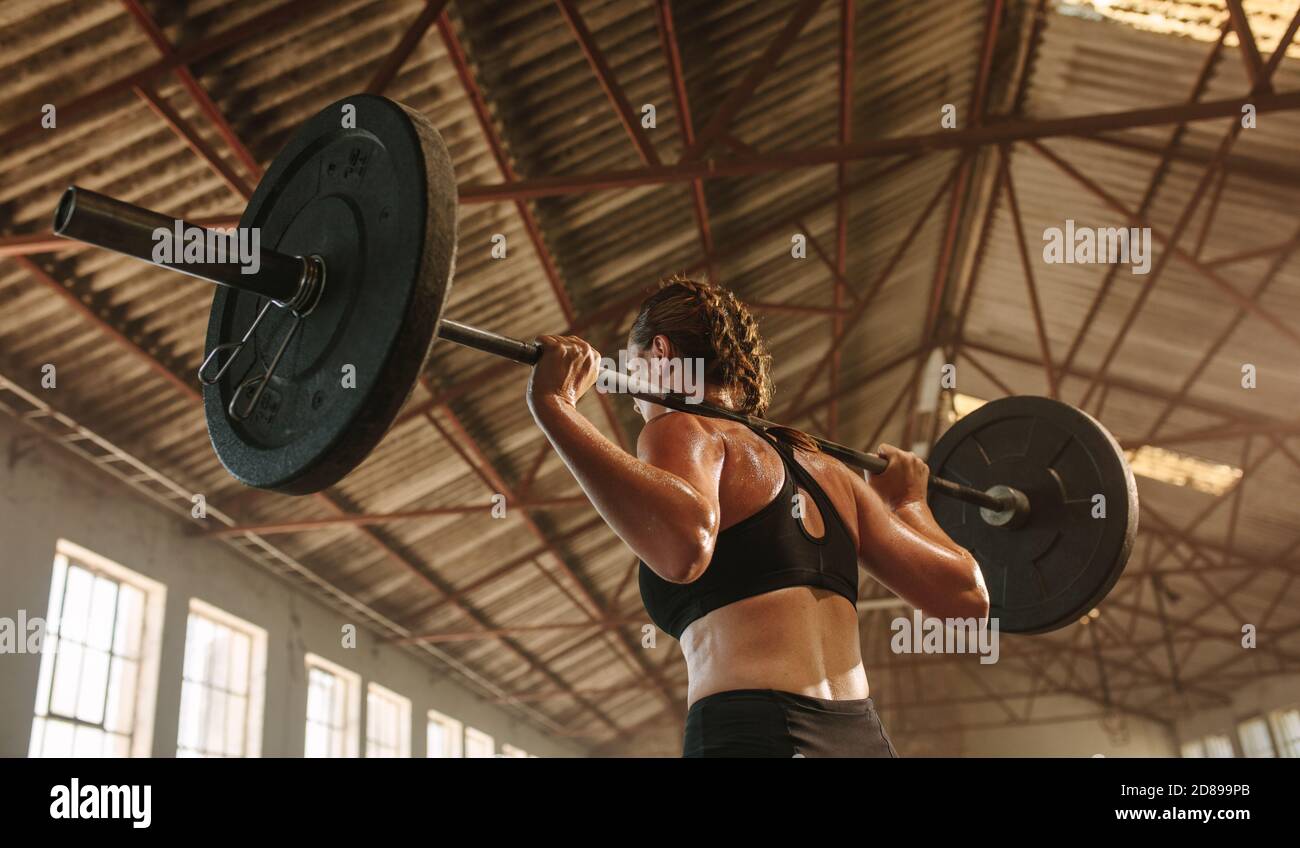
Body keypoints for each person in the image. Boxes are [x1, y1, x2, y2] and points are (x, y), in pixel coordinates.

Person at [527, 275, 988, 757]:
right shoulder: (831, 473)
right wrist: (910, 503)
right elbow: (967, 598)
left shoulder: (681, 426)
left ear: (659, 353)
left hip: (758, 733)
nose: (637, 398)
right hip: (862, 739)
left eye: (633, 365)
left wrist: (556, 406)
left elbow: (683, 546)